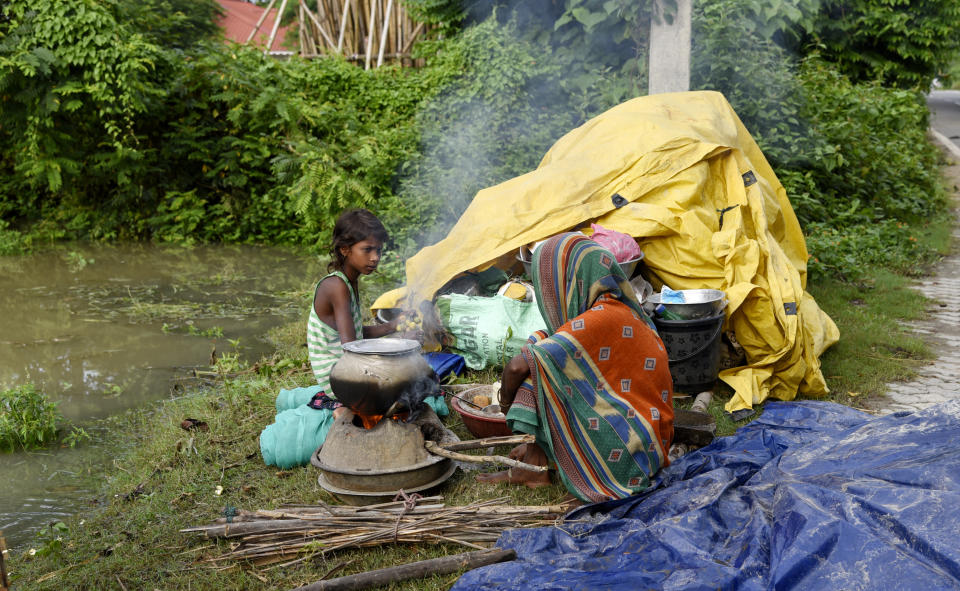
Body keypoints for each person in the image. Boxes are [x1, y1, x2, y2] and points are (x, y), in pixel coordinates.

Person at [476, 233, 675, 503]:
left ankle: (557, 471)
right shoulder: (616, 307)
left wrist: (506, 404)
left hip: (633, 454)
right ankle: (536, 463)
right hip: (643, 432)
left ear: (568, 281)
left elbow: (516, 367)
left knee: (537, 372)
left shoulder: (602, 318)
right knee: (542, 357)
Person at [307, 208, 400, 410]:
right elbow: (352, 349)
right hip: (338, 378)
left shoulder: (350, 281)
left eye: (379, 250)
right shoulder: (337, 287)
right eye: (367, 250)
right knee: (403, 381)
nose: (375, 257)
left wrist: (393, 327)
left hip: (346, 368)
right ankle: (341, 412)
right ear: (344, 249)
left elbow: (354, 334)